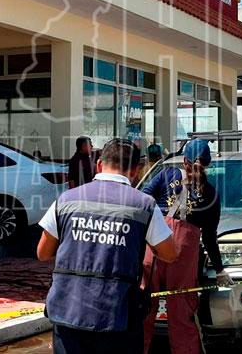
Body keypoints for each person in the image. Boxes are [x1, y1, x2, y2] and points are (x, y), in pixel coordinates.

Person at [37, 139, 177, 354]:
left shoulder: (66, 200)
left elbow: (43, 253)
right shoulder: (144, 205)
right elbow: (170, 254)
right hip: (117, 316)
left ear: (99, 165)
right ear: (135, 170)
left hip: (67, 312)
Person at [140, 139, 230, 354]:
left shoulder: (165, 174)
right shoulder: (211, 194)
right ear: (207, 164)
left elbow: (142, 201)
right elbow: (209, 238)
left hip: (155, 247)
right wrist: (219, 270)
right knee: (182, 314)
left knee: (143, 309)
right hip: (184, 256)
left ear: (184, 160)